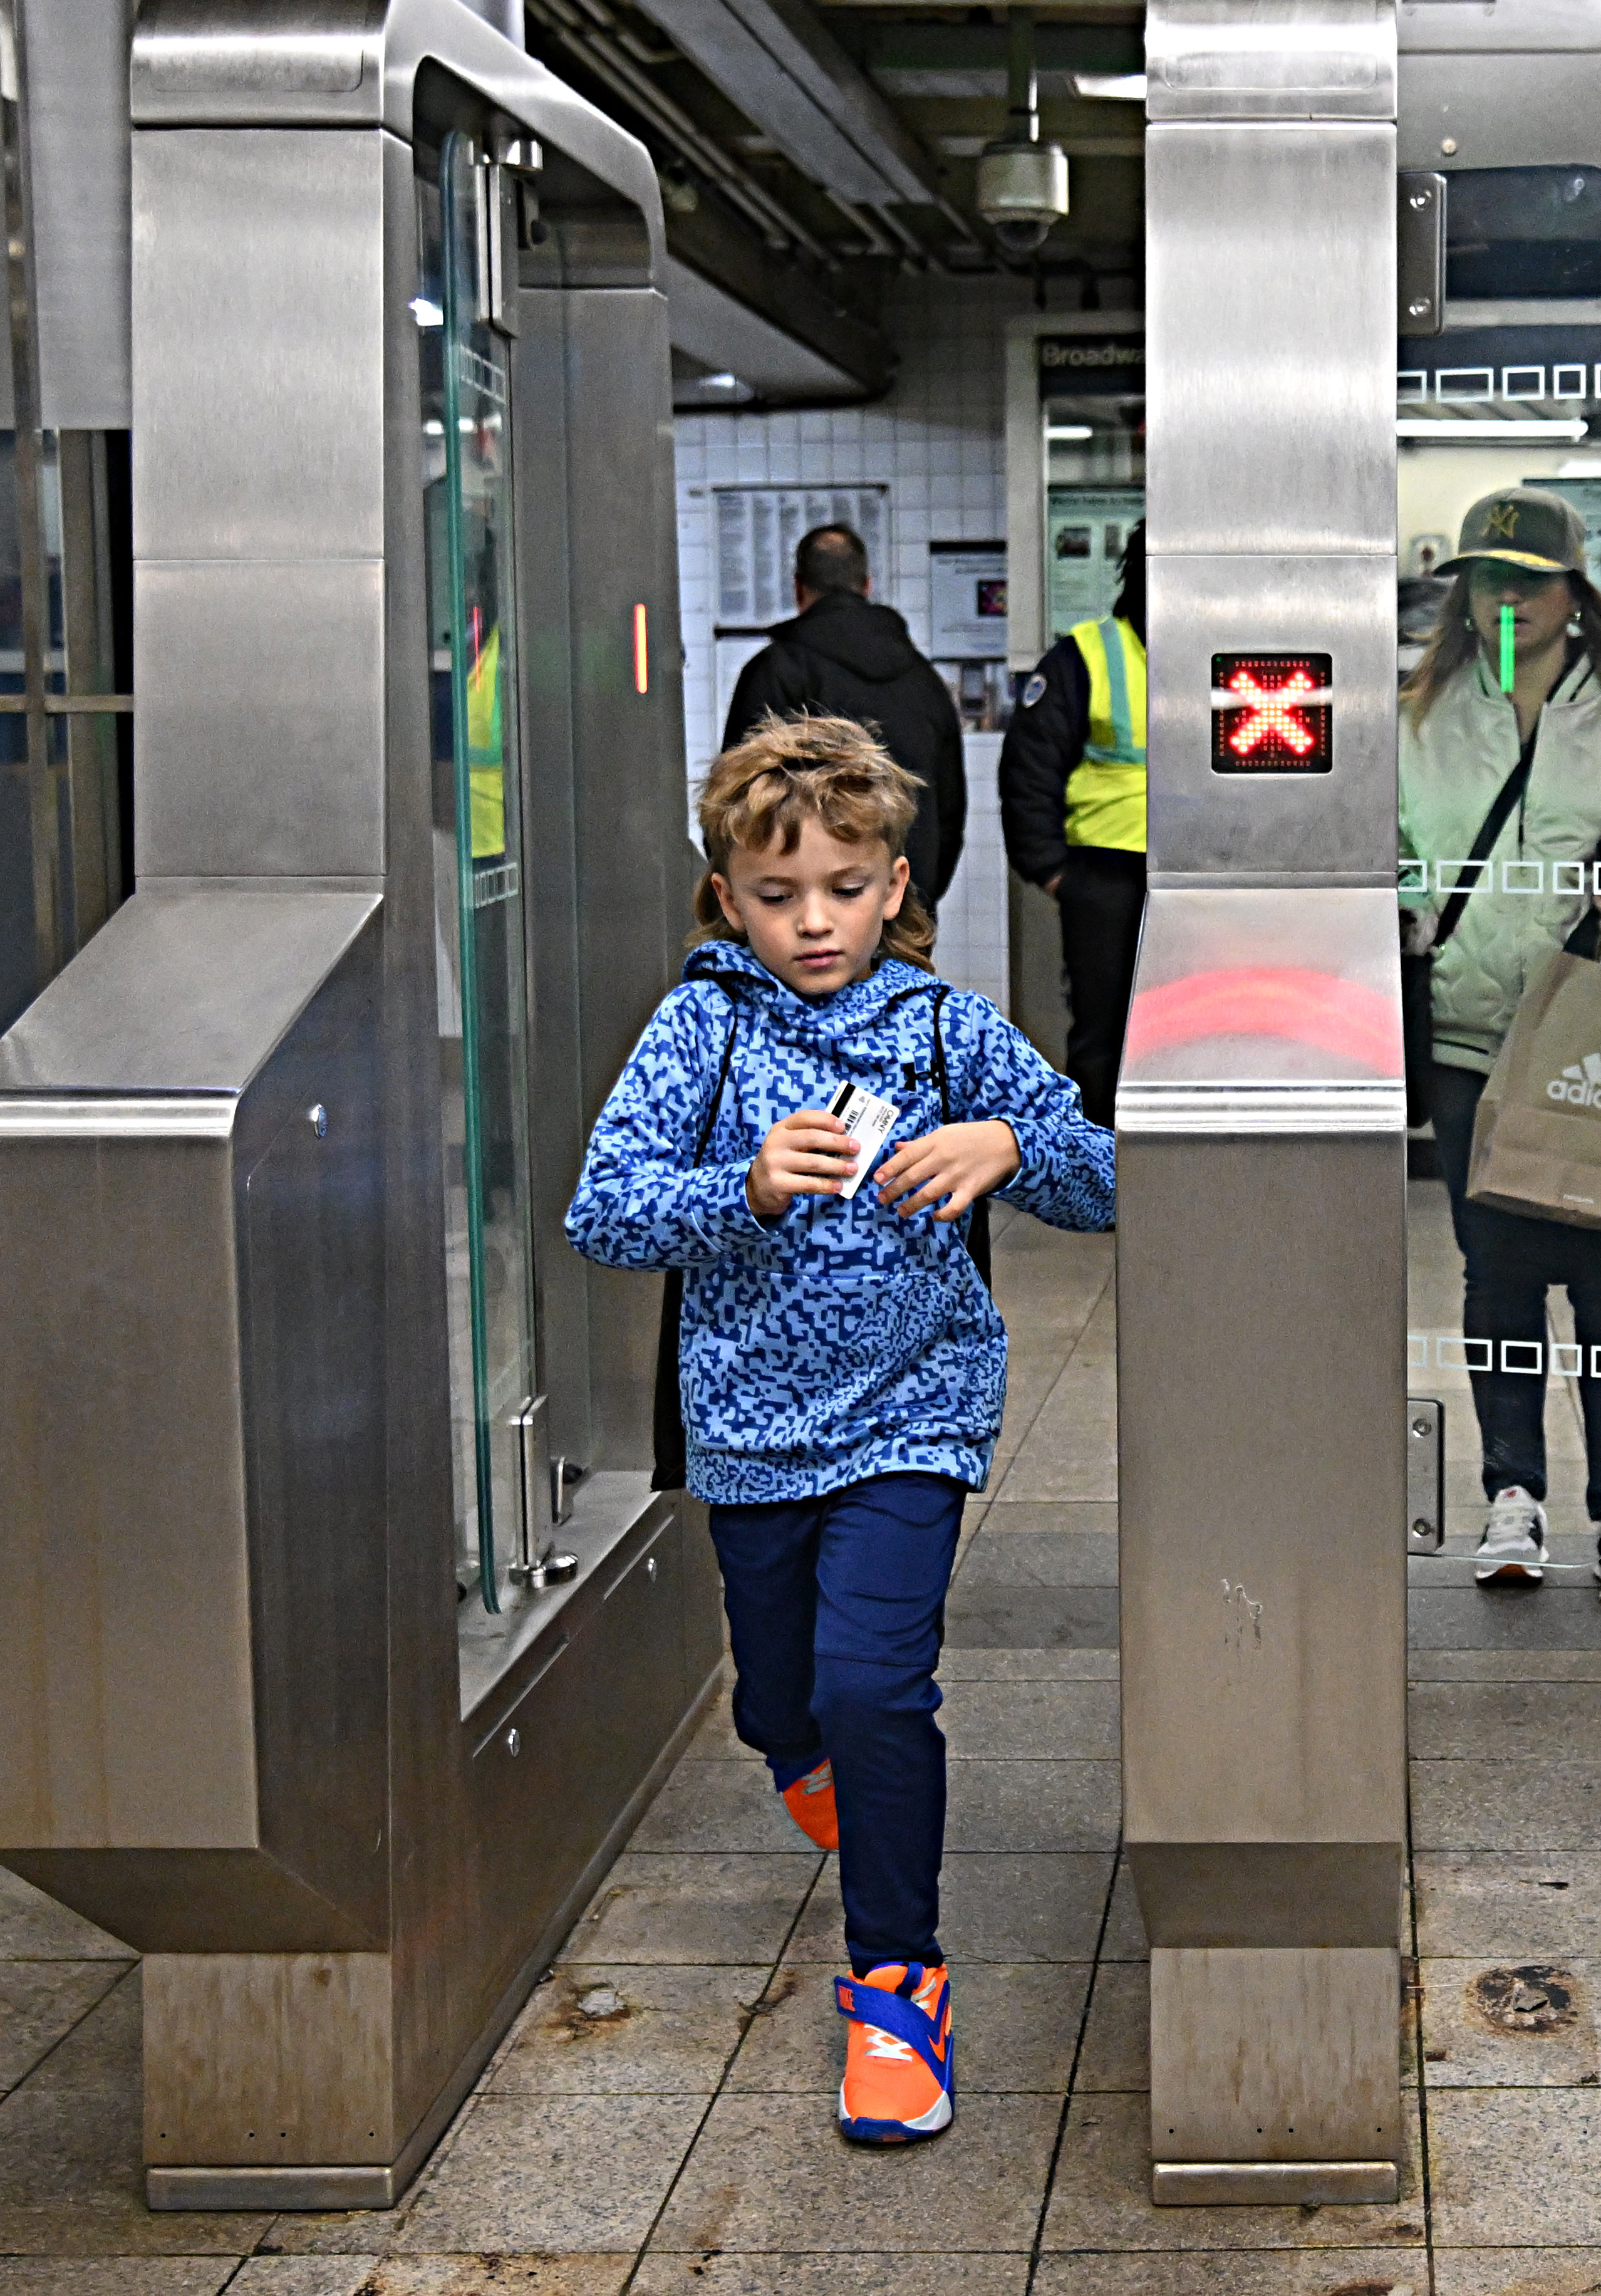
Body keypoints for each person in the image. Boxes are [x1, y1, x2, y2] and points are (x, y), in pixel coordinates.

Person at [566, 715, 1116, 2152]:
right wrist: (739, 1183)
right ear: (727, 895)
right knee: (785, 1697)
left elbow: (1107, 1172)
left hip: (912, 1414)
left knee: (878, 1685)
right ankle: (796, 1747)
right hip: (749, 1429)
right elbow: (602, 1207)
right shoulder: (705, 1023)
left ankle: (895, 1985)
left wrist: (1010, 1144)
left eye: (845, 884)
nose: (813, 919)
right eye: (776, 891)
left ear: (895, 881)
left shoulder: (942, 1025)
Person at [1402, 486, 1601, 1604]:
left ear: (1575, 589)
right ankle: (1513, 1492)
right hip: (1469, 1035)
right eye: (1487, 578)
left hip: (1590, 1027)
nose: (1506, 598)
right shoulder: (1415, 713)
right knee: (1496, 1274)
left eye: (1528, 579)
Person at [724, 523, 973, 917]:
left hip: (802, 924)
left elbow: (733, 804)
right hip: (904, 909)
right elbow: (950, 810)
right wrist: (912, 901)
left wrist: (756, 901)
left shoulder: (777, 673)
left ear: (798, 588)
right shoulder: (924, 681)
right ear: (867, 586)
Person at [997, 529, 1147, 1126]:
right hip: (1105, 873)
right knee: (1104, 1030)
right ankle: (1105, 1173)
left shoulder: (1223, 656)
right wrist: (1056, 873)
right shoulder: (1085, 656)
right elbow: (1029, 769)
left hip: (1201, 875)